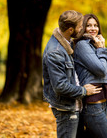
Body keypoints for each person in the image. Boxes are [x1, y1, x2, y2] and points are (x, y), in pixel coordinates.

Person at [43, 10, 102, 138]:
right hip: (66, 107)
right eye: (80, 27)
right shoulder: (55, 52)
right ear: (70, 29)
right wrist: (84, 91)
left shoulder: (67, 42)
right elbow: (60, 86)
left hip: (74, 104)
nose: (82, 29)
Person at [74, 14, 107, 138]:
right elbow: (101, 70)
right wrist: (102, 50)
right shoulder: (82, 45)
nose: (93, 28)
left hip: (101, 103)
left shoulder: (95, 45)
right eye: (88, 25)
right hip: (92, 104)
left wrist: (103, 48)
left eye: (95, 25)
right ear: (82, 27)